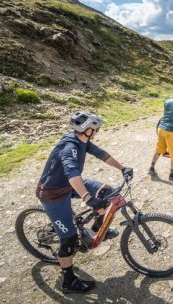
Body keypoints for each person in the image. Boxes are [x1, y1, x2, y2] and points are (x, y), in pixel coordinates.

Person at [36, 111, 133, 294]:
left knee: (108, 193)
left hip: (68, 184)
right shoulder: (69, 147)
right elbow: (73, 174)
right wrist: (88, 198)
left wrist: (123, 168)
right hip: (53, 193)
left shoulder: (82, 140)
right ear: (87, 130)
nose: (98, 131)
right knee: (69, 239)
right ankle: (69, 282)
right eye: (96, 128)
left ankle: (97, 230)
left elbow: (101, 154)